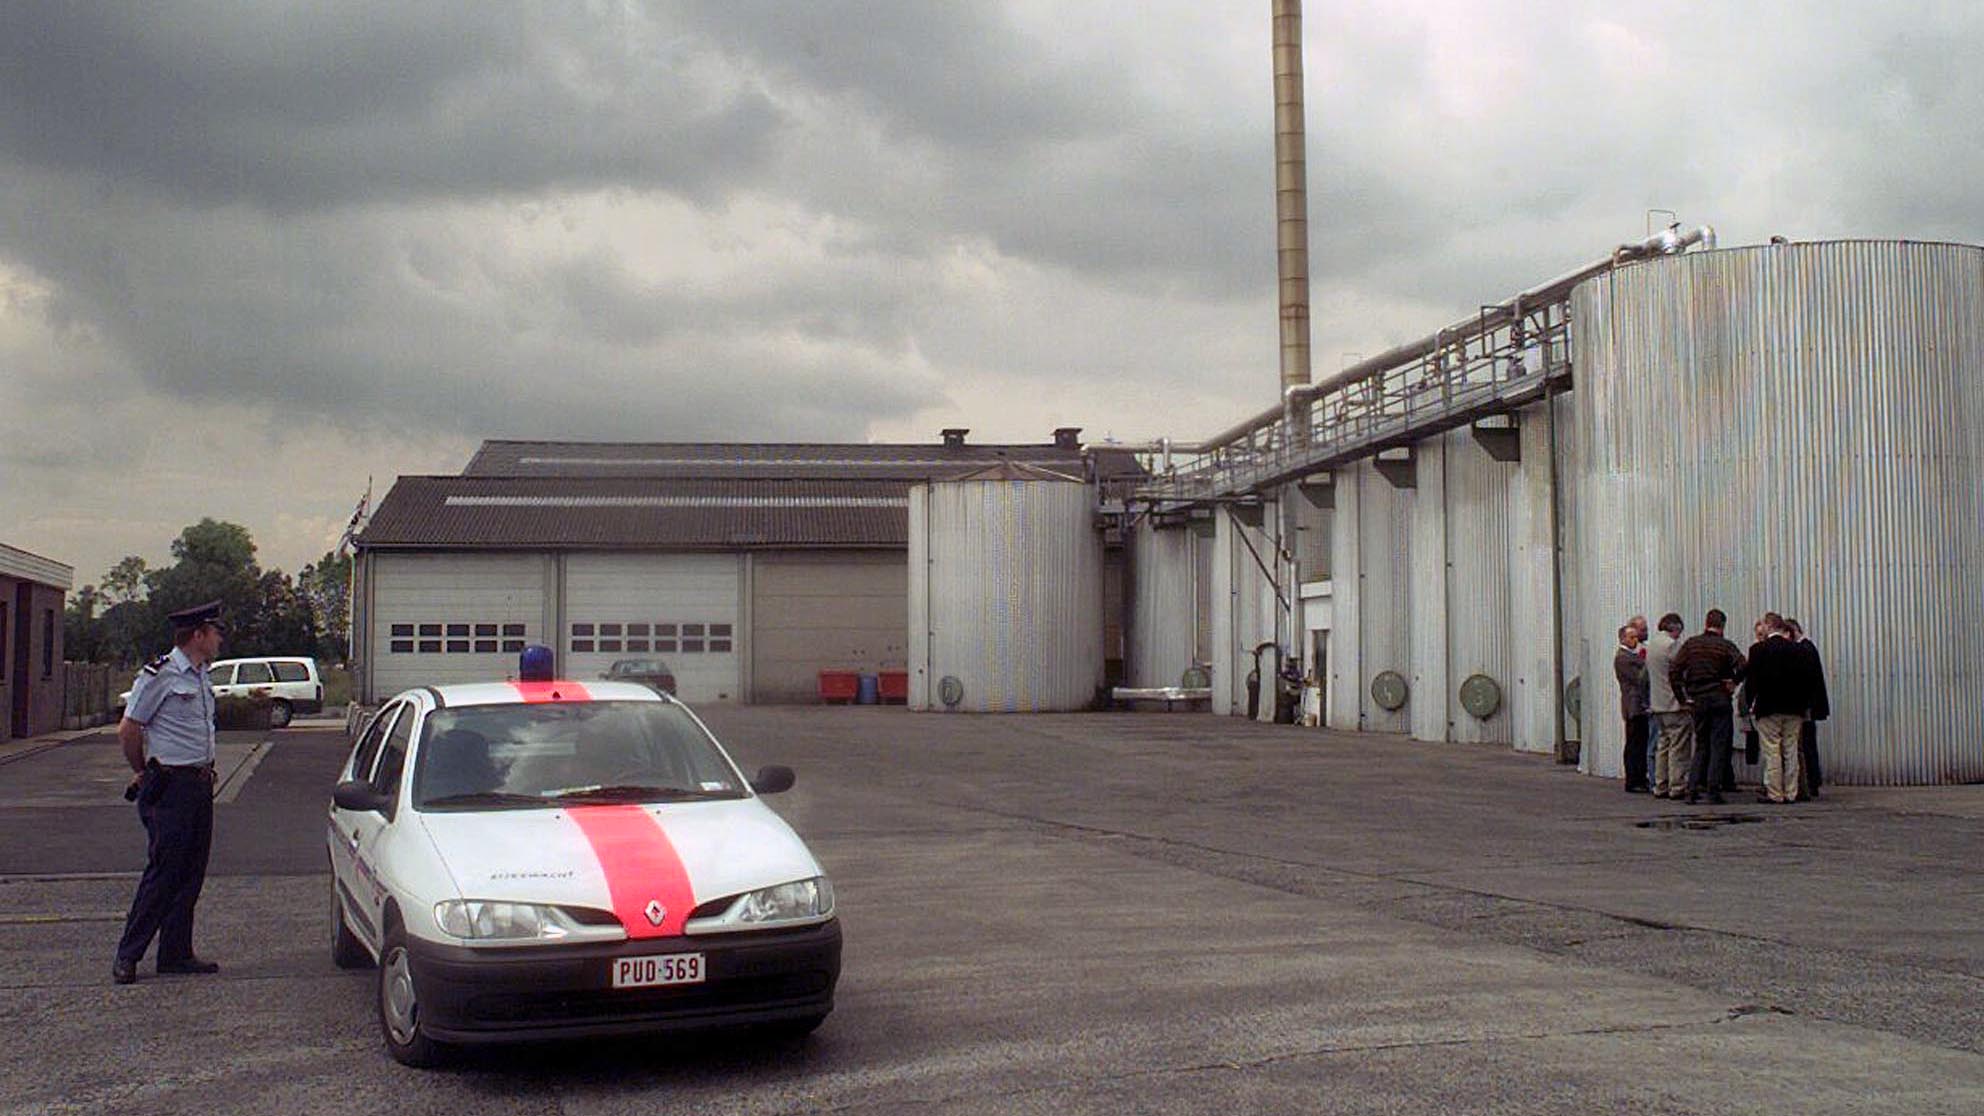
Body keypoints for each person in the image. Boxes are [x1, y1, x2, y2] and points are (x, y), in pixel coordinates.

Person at [113, 600, 226, 985]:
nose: (219, 639)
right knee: (163, 873)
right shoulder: (160, 675)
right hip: (171, 786)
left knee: (191, 872)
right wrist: (141, 771)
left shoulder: (201, 675)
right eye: (215, 632)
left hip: (199, 784)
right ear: (198, 635)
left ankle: (176, 954)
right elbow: (129, 729)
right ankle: (128, 954)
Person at [1671, 608, 1745, 805]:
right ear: (1722, 626)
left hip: (1698, 700)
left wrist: (1682, 698)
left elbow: (1674, 670)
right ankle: (1713, 790)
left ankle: (1692, 789)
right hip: (1719, 698)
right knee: (1718, 745)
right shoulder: (1725, 646)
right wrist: (1734, 681)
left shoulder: (1691, 645)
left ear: (1706, 623)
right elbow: (1743, 665)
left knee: (1701, 744)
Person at [1741, 614, 1814, 804]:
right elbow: (1807, 680)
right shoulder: (1799, 650)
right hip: (1794, 708)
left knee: (1772, 750)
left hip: (1768, 708)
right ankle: (1791, 792)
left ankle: (1775, 793)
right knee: (1791, 750)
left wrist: (1750, 704)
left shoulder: (1758, 650)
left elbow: (1752, 681)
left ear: (1769, 626)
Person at [1644, 613, 1694, 798]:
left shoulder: (1652, 646)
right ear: (1676, 628)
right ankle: (1677, 785)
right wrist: (1686, 699)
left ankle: (1660, 784)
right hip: (1673, 703)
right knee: (1678, 746)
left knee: (1663, 744)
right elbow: (1682, 670)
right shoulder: (1672, 646)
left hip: (1658, 703)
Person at [1785, 618, 1830, 799]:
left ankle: (1811, 782)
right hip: (1810, 706)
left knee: (1806, 745)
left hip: (1806, 707)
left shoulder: (1804, 649)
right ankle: (1813, 781)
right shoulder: (1809, 648)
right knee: (1808, 744)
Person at [1614, 625, 1651, 792]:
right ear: (1623, 639)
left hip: (1638, 705)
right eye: (1631, 637)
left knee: (1641, 742)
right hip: (1633, 705)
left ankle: (1640, 777)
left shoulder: (1632, 655)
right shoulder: (1623, 658)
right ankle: (1633, 779)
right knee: (1634, 743)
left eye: (1636, 637)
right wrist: (1646, 662)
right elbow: (1639, 678)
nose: (1635, 640)